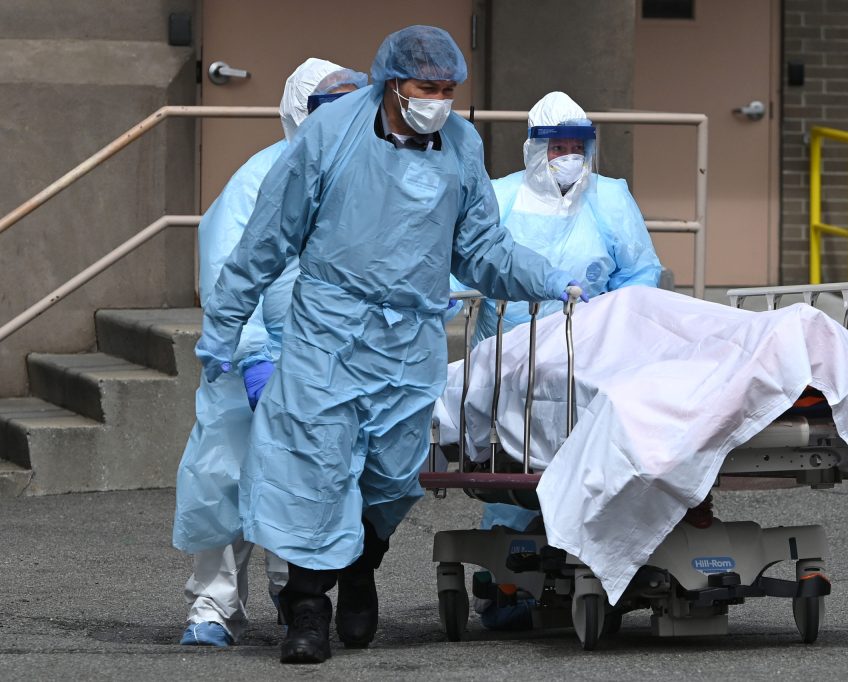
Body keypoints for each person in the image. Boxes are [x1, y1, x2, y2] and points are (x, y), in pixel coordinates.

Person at [193, 25, 587, 664]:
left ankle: (360, 565)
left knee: (392, 476)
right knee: (316, 467)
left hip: (410, 340)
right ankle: (308, 609)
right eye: (427, 87)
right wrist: (226, 325)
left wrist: (547, 278)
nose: (439, 100)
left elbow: (480, 246)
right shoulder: (334, 134)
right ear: (392, 84)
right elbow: (268, 236)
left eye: (449, 90)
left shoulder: (460, 144)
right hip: (330, 328)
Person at [172, 59, 368, 648]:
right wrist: (254, 355)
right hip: (247, 365)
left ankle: (295, 596)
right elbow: (230, 270)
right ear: (297, 112)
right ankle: (213, 605)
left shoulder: (362, 182)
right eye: (328, 106)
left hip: (324, 363)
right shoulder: (259, 177)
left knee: (307, 483)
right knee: (224, 477)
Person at [468, 91, 663, 630]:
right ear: (535, 149)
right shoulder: (500, 197)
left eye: (578, 145)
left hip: (591, 348)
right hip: (513, 351)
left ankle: (603, 556)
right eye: (558, 147)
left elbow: (641, 270)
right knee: (517, 457)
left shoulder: (609, 197)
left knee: (596, 453)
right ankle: (506, 573)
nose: (569, 156)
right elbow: (465, 268)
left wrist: (606, 317)